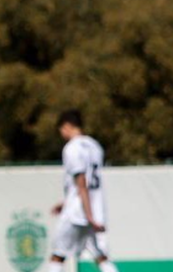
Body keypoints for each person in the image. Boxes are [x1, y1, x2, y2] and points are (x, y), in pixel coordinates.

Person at [48, 110, 119, 272]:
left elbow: (81, 182)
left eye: (61, 130)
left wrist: (87, 215)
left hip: (78, 211)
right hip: (95, 207)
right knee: (100, 255)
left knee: (58, 254)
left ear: (66, 126)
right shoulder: (95, 146)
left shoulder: (72, 148)